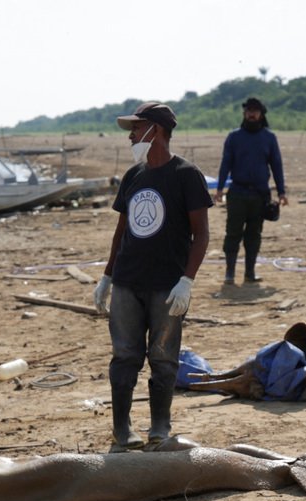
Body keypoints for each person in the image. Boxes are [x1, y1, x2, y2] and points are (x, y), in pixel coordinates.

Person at [93, 102, 212, 450]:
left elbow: (201, 234)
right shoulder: (133, 176)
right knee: (125, 356)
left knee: (163, 358)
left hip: (167, 286)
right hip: (128, 283)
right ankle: (122, 429)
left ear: (155, 130)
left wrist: (187, 280)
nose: (130, 136)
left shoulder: (186, 174)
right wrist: (106, 277)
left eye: (136, 128)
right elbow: (122, 232)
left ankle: (160, 426)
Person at [214, 97, 287, 285]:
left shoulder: (269, 138)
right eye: (249, 111)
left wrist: (281, 192)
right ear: (244, 113)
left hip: (260, 195)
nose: (252, 114)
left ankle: (250, 273)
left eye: (255, 111)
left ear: (261, 114)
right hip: (237, 193)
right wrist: (220, 189)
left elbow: (276, 166)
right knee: (233, 233)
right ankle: (229, 274)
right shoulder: (234, 137)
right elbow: (225, 164)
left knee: (254, 235)